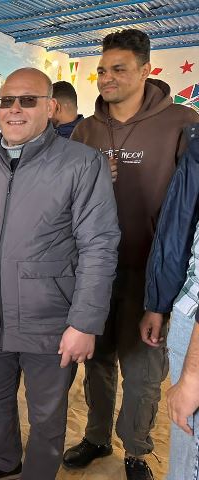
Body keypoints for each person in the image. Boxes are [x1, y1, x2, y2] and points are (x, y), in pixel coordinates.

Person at [0, 67, 119, 480]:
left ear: (51, 107)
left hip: (50, 323)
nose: (15, 109)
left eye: (28, 100)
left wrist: (84, 323)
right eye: (7, 101)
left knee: (46, 416)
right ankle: (5, 461)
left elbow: (99, 246)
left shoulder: (82, 164)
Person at [63, 29, 199, 479]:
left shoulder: (180, 123)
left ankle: (137, 450)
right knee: (97, 363)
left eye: (118, 69)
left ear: (145, 71)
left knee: (143, 373)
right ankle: (97, 437)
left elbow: (190, 205)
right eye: (102, 70)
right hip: (93, 273)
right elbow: (62, 199)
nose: (107, 78)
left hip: (150, 275)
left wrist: (165, 294)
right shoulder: (85, 130)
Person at [142, 123, 199, 480]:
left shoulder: (179, 127)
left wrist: (193, 375)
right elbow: (180, 227)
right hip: (184, 308)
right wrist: (159, 303)